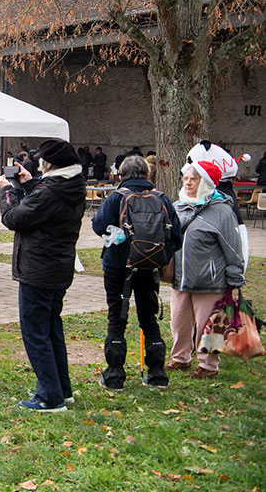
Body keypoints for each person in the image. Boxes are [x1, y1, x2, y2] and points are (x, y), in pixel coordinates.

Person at [0, 138, 85, 412]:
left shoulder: (51, 192)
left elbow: (14, 218)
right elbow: (45, 200)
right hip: (57, 267)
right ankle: (61, 390)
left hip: (39, 269)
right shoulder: (71, 185)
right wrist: (30, 181)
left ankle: (49, 396)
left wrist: (5, 193)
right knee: (51, 330)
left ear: (49, 164)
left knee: (36, 333)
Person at [91, 155, 182, 390]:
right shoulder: (162, 199)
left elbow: (98, 226)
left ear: (121, 176)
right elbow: (177, 236)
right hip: (149, 267)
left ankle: (114, 375)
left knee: (116, 318)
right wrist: (158, 256)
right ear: (148, 175)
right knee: (149, 319)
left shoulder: (116, 198)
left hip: (117, 267)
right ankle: (157, 374)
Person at [168, 160, 245, 379]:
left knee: (210, 327)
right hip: (181, 279)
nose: (189, 183)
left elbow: (233, 248)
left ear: (206, 182)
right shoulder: (178, 206)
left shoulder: (222, 211)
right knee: (179, 323)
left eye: (194, 178)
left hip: (210, 282)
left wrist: (235, 277)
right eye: (186, 178)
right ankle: (180, 358)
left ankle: (209, 365)